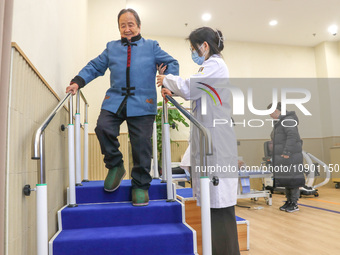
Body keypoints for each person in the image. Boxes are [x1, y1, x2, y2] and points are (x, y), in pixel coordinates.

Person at [66, 8, 179, 206]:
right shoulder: (112, 47)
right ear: (119, 28)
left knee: (141, 146)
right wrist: (78, 82)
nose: (127, 29)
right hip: (116, 99)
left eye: (130, 24)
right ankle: (116, 165)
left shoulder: (151, 46)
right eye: (122, 25)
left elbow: (171, 63)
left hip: (143, 102)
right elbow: (95, 66)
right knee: (103, 128)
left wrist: (168, 83)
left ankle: (141, 186)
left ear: (139, 26)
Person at [157, 27, 240, 255]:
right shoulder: (209, 67)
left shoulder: (215, 65)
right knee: (214, 210)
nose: (193, 52)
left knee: (220, 209)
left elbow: (191, 87)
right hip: (210, 145)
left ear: (204, 45)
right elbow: (195, 95)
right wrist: (174, 92)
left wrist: (167, 79)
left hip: (217, 147)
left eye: (194, 48)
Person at [268, 102, 305, 212]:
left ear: (275, 110)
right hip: (284, 156)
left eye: (269, 112)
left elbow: (292, 136)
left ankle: (294, 203)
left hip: (291, 156)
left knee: (293, 179)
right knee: (288, 179)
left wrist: (287, 151)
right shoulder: (281, 121)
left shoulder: (288, 120)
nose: (269, 115)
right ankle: (289, 201)